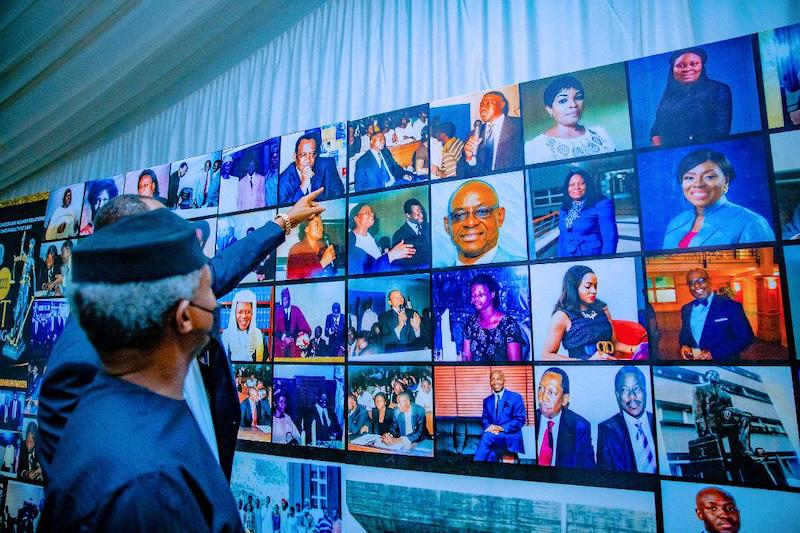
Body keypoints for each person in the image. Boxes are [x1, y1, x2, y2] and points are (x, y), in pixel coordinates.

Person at [37, 189, 325, 480]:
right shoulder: (84, 343)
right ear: (129, 243)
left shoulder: (163, 293)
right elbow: (81, 478)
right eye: (166, 229)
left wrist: (285, 221)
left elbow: (221, 269)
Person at [38, 208, 244, 530]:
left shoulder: (105, 408)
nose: (216, 302)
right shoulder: (152, 486)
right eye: (208, 288)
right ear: (184, 317)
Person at [663, 149, 774, 249]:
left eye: (710, 177)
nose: (698, 184)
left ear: (726, 181)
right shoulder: (676, 222)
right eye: (689, 178)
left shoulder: (752, 223)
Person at [542, 265, 641, 360]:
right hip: (584, 370)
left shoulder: (602, 308)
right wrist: (585, 362)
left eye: (595, 286)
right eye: (588, 286)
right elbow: (547, 355)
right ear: (574, 288)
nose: (594, 291)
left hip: (610, 365)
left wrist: (634, 349)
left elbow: (613, 343)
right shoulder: (562, 316)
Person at [650, 47, 732, 147]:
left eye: (693, 64)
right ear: (673, 69)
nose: (687, 69)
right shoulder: (669, 94)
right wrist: (662, 150)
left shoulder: (718, 89)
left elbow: (721, 131)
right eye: (681, 65)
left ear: (702, 66)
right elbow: (656, 130)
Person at [525, 76, 615, 163]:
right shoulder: (534, 147)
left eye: (578, 97)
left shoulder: (600, 133)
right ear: (549, 109)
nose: (573, 104)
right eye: (563, 101)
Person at [442, 179, 524, 266]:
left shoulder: (524, 269)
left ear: (500, 216)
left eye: (482, 212)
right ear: (447, 225)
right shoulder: (435, 278)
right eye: (459, 215)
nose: (470, 223)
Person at [679, 269, 754, 361]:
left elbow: (746, 338)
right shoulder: (686, 309)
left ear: (709, 280)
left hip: (725, 362)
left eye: (701, 280)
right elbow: (685, 335)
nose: (696, 286)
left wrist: (714, 353)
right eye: (691, 283)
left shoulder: (731, 306)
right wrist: (684, 345)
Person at [596, 366, 657, 473]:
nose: (632, 397)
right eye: (625, 390)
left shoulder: (658, 421)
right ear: (618, 395)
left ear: (645, 391)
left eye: (637, 388)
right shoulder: (607, 430)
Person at [535, 367, 595, 468]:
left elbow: (587, 471)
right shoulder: (528, 418)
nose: (543, 397)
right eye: (541, 388)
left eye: (551, 392)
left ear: (565, 399)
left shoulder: (579, 426)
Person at [462, 274, 524, 361]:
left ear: (492, 294)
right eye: (473, 295)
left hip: (501, 374)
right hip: (476, 374)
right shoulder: (470, 324)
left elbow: (515, 365)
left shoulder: (508, 325)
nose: (476, 299)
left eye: (481, 294)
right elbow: (467, 360)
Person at [557, 169, 618, 256]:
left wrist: (606, 261)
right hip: (567, 257)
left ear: (588, 185)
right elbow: (562, 237)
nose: (576, 187)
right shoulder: (565, 207)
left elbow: (610, 237)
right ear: (567, 188)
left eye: (581, 183)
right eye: (572, 185)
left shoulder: (602, 204)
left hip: (592, 256)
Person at [693, 370, 752, 457]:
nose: (715, 375)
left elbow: (731, 407)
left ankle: (744, 449)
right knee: (718, 453)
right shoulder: (699, 388)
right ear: (707, 377)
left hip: (723, 423)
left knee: (744, 419)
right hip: (710, 425)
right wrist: (702, 429)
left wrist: (729, 410)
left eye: (717, 375)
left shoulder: (726, 395)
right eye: (712, 373)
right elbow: (698, 410)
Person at [463, 90, 524, 175]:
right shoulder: (472, 135)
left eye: (489, 103)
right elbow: (462, 173)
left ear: (502, 104)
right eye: (481, 105)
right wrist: (470, 158)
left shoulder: (520, 126)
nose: (483, 108)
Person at [347, 203, 415, 275]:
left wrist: (387, 254)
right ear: (356, 218)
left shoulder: (370, 238)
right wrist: (391, 255)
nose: (372, 214)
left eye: (371, 212)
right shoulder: (350, 243)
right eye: (367, 212)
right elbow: (363, 273)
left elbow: (376, 261)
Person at [474, 370, 526, 462]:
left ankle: (474, 467)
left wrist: (500, 428)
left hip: (509, 436)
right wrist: (492, 429)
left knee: (486, 436)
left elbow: (520, 420)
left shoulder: (515, 397)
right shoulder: (487, 401)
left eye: (498, 379)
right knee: (490, 455)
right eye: (492, 379)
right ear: (490, 382)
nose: (495, 382)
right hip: (494, 436)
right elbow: (485, 420)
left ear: (504, 380)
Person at [278, 134, 344, 203]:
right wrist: (303, 186)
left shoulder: (327, 165)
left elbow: (339, 194)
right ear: (295, 156)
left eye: (312, 154)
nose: (308, 160)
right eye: (303, 155)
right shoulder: (283, 181)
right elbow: (285, 210)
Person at [222, 289, 266, 362]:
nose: (244, 316)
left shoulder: (259, 335)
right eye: (240, 312)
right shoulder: (226, 335)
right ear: (234, 313)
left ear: (252, 313)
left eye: (248, 312)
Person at [286, 215, 336, 279]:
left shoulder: (323, 246)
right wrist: (323, 263)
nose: (321, 228)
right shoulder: (296, 250)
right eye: (317, 224)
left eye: (321, 225)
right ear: (306, 228)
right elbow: (294, 281)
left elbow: (331, 273)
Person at [391, 198, 430, 269]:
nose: (422, 216)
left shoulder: (429, 227)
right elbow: (398, 265)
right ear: (408, 215)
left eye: (422, 212)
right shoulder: (398, 235)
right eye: (418, 214)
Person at [273, 288, 311, 358]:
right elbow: (273, 330)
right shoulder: (277, 311)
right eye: (283, 300)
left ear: (289, 300)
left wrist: (298, 337)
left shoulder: (296, 310)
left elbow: (305, 328)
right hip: (280, 345)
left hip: (294, 345)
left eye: (286, 300)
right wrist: (284, 337)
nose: (284, 302)